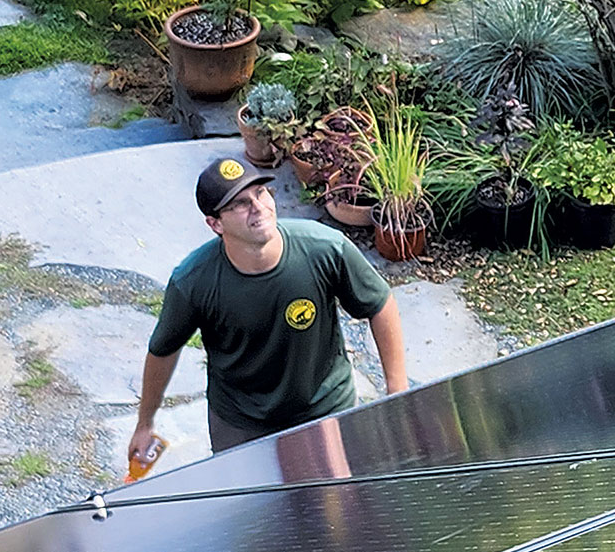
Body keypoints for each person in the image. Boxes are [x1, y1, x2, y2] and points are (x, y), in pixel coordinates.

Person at [131, 157, 409, 459]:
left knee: (335, 500)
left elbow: (380, 304)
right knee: (253, 505)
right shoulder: (193, 282)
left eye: (261, 193)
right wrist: (145, 424)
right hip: (241, 423)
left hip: (326, 408)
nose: (258, 207)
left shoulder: (326, 249)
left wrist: (397, 390)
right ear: (215, 224)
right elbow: (163, 350)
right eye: (239, 203)